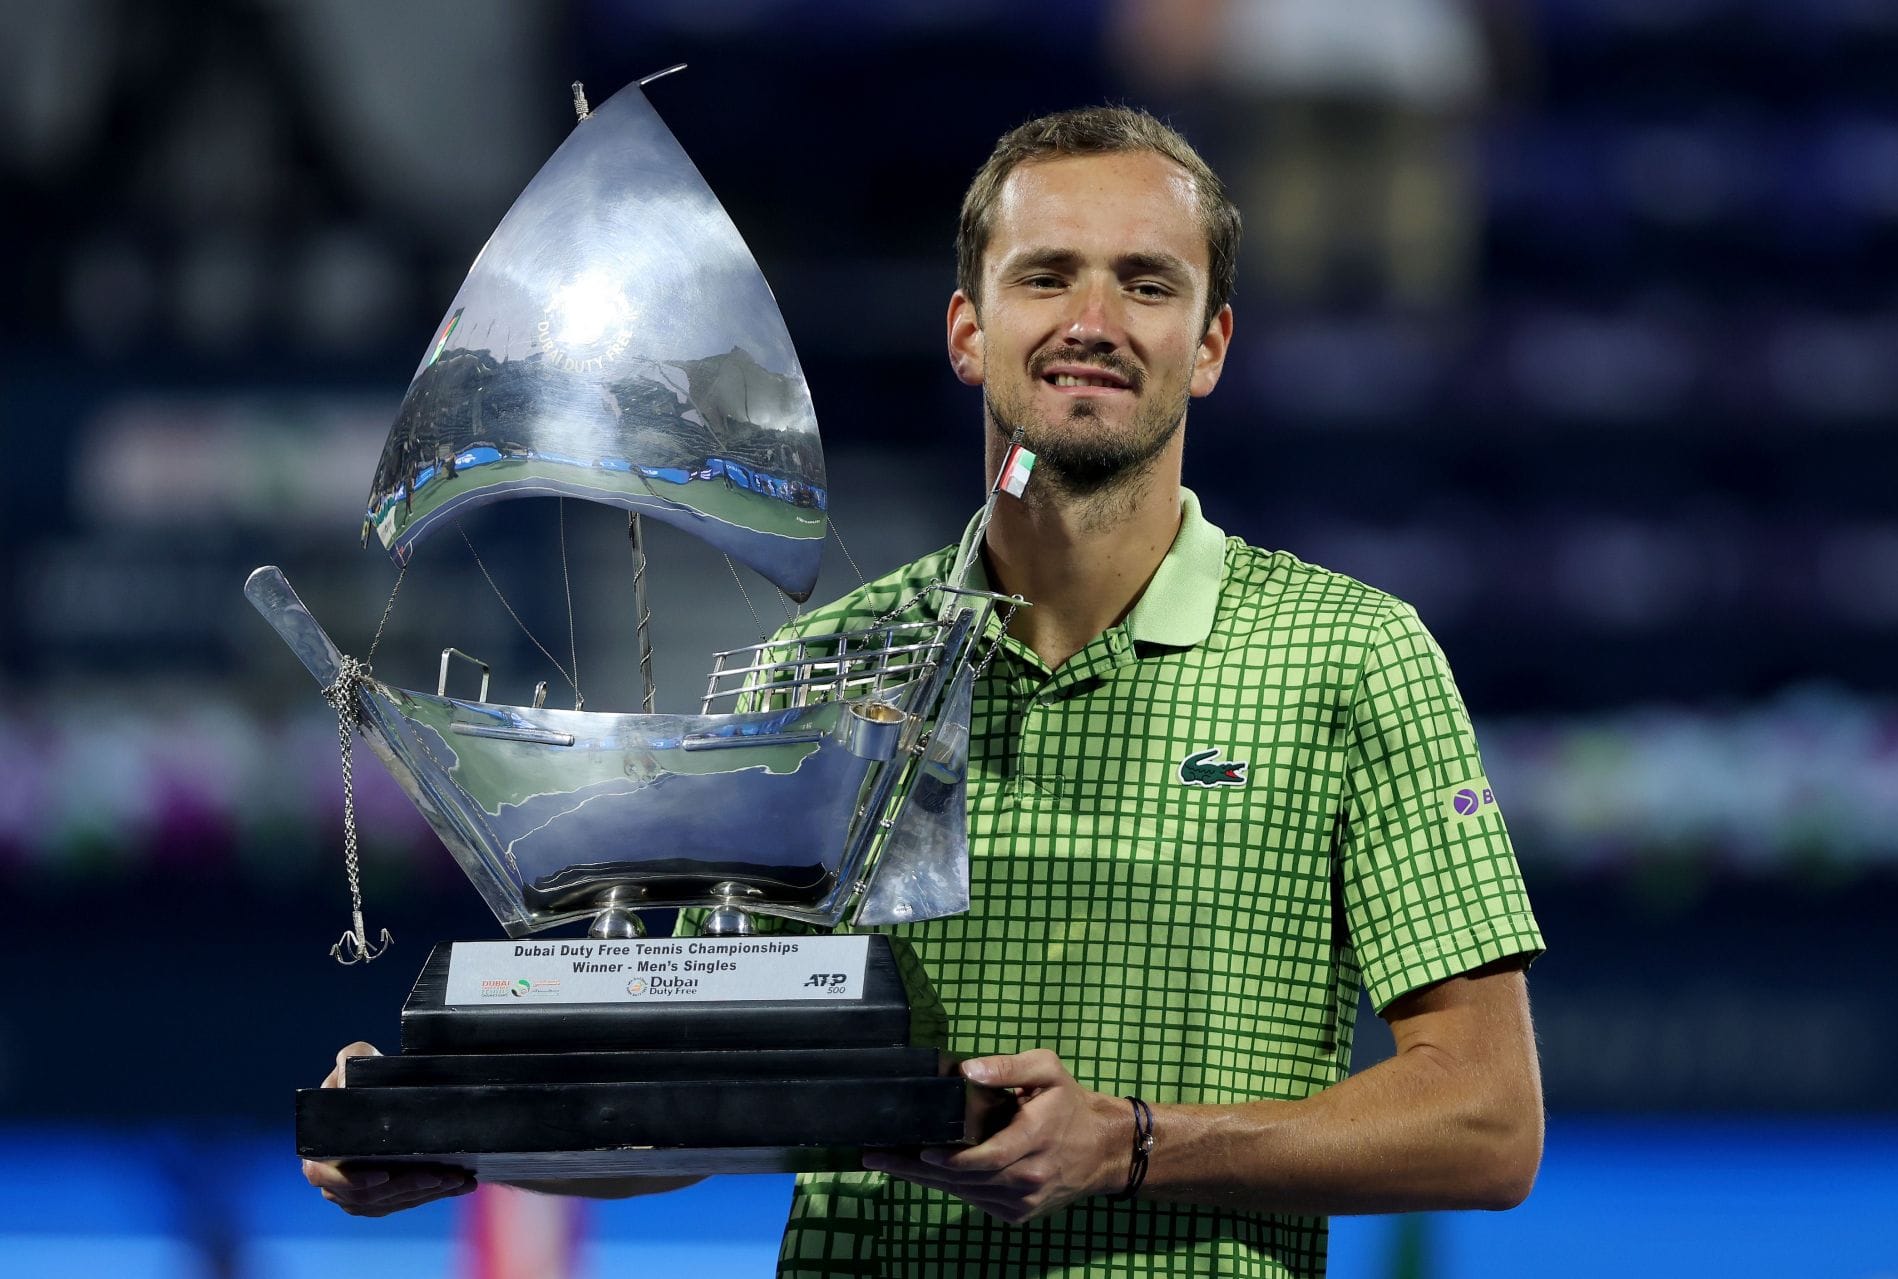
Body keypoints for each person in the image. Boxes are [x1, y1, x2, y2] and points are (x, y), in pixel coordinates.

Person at [308, 106, 1544, 1279]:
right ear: (968, 329)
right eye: (1046, 275)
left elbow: (1487, 1124)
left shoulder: (1353, 656)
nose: (1094, 319)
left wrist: (1135, 1144)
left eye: (1148, 282)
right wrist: (454, 1132)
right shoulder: (822, 667)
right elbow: (694, 1099)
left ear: (1210, 344)